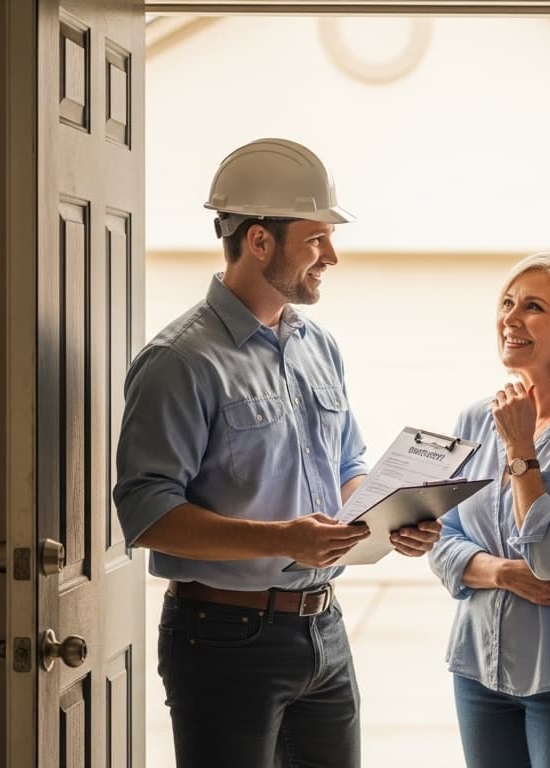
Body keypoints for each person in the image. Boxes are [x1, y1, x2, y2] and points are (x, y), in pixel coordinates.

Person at [112, 137, 441, 767]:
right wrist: (283, 539)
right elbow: (148, 514)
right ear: (259, 241)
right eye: (317, 239)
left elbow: (348, 468)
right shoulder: (178, 360)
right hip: (222, 638)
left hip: (324, 630)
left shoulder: (319, 345)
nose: (332, 256)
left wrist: (393, 516)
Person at [429, 252, 550, 768]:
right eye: (507, 303)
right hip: (476, 667)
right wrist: (500, 573)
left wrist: (520, 449)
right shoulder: (475, 418)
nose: (510, 319)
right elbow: (441, 538)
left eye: (533, 307)